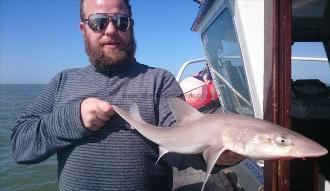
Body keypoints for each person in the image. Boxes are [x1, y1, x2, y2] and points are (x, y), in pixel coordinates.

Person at [10, 0, 244, 190]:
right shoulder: (63, 81)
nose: (110, 30)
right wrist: (73, 118)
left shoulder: (159, 81)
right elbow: (20, 146)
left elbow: (180, 145)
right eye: (98, 22)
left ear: (131, 26)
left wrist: (219, 155)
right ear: (83, 29)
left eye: (120, 22)